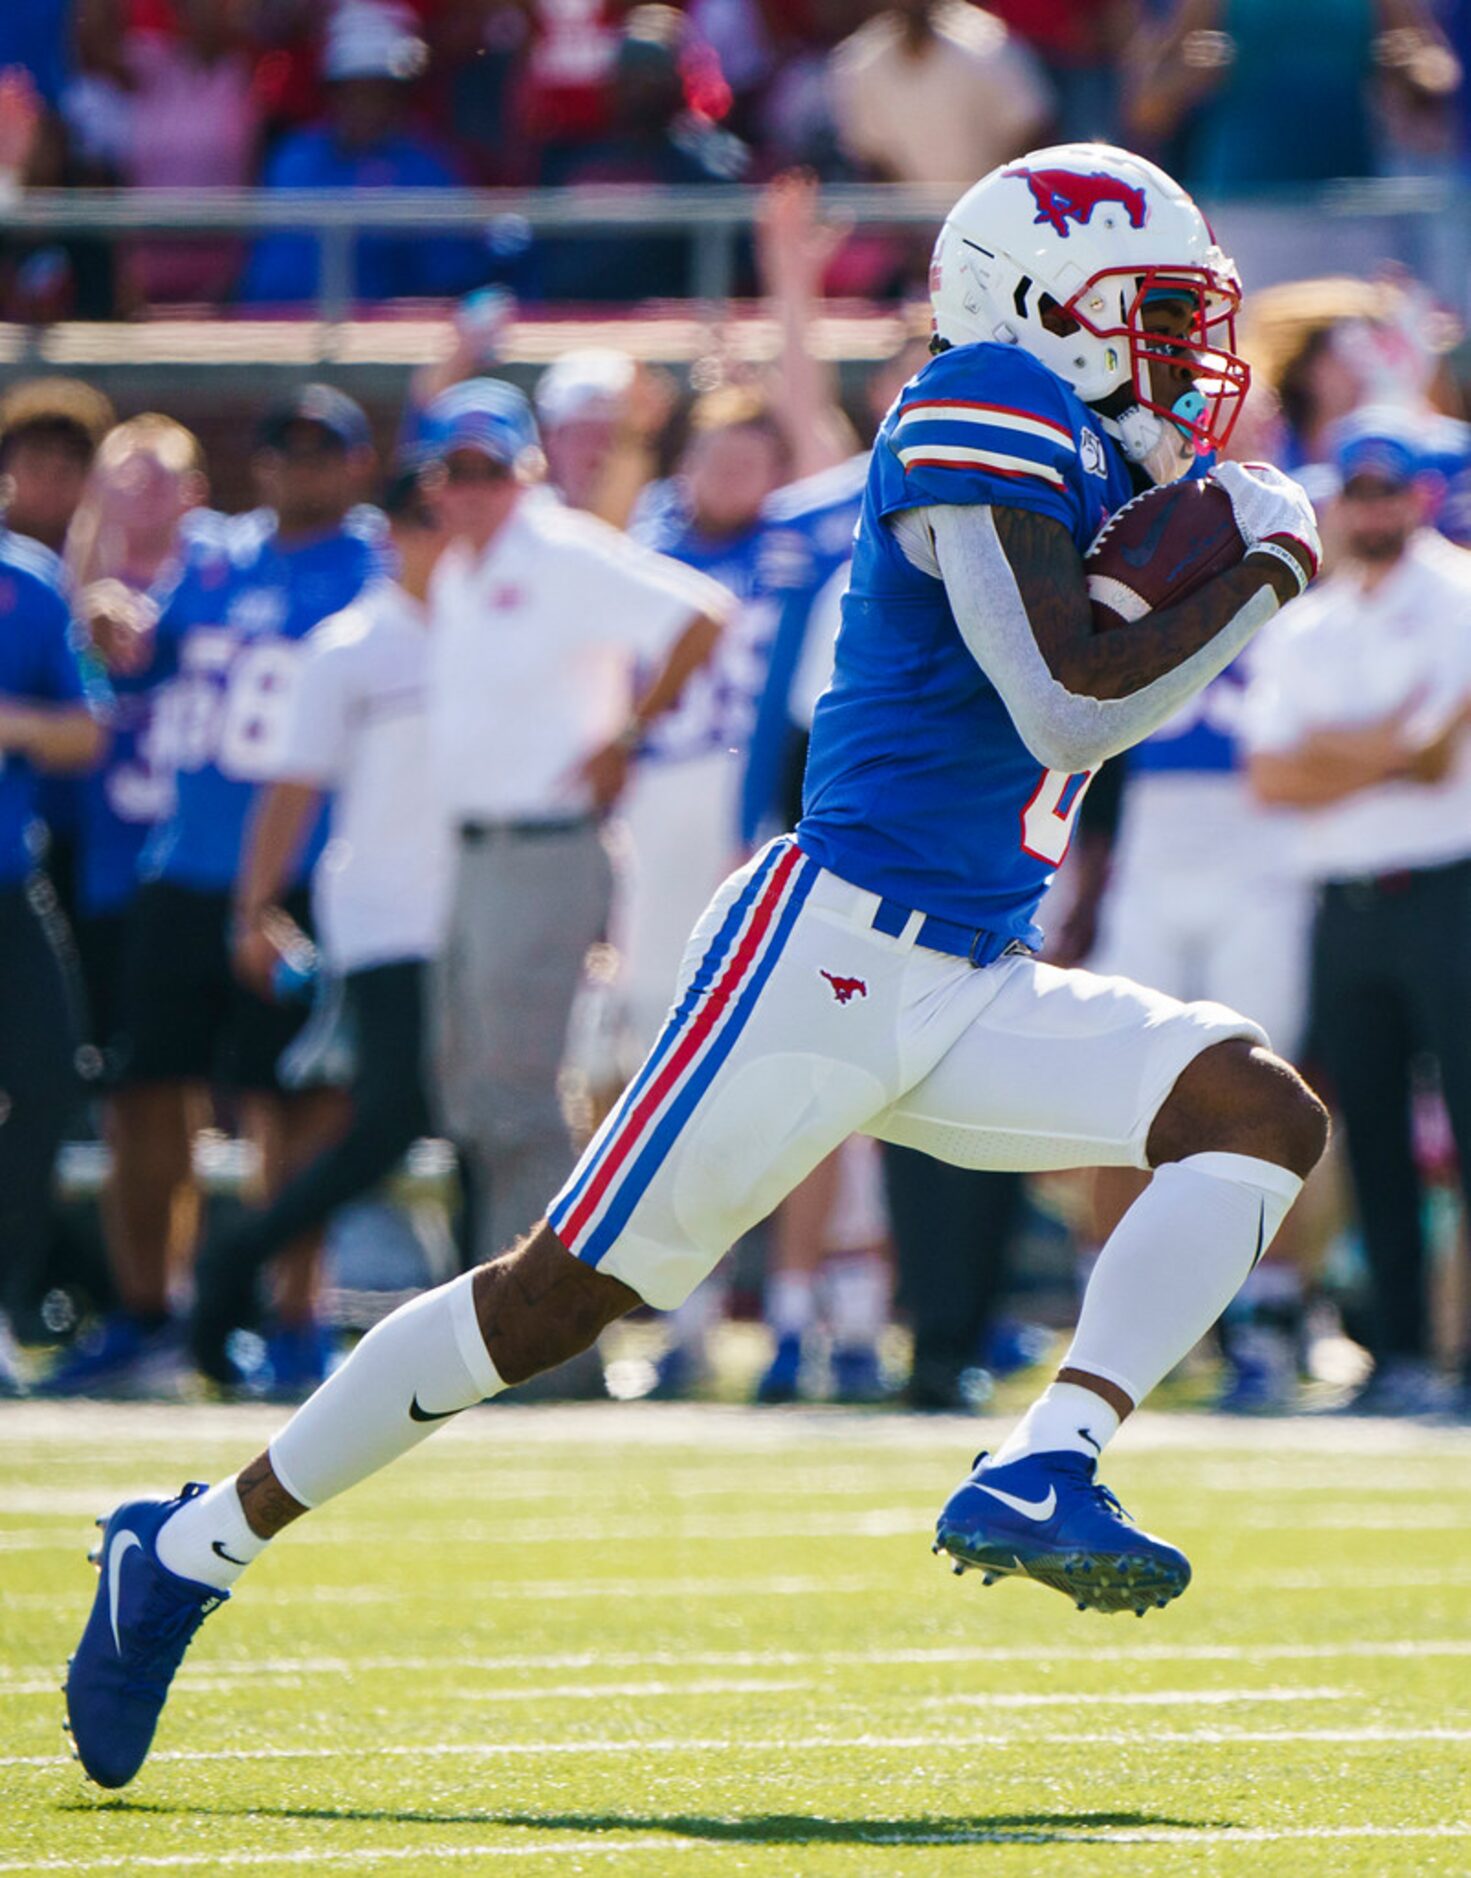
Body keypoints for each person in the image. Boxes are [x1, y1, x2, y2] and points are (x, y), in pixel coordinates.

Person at [66, 143, 1330, 1792]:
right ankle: (186, 1550)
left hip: (973, 970)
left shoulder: (1082, 447)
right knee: (547, 1303)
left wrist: (1223, 562)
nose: (1179, 354)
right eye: (1151, 314)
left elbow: (1087, 688)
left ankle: (1048, 1453)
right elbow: (1068, 706)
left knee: (1257, 1113)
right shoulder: (984, 402)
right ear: (1040, 305)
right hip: (829, 960)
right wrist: (1252, 574)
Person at [69, 385, 382, 1400]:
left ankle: (293, 1317)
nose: (299, 469)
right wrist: (118, 624)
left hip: (299, 869)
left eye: (320, 453)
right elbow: (142, 659)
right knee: (143, 1094)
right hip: (184, 862)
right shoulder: (214, 556)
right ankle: (145, 1313)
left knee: (291, 1102)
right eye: (284, 451)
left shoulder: (373, 564)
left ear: (355, 466)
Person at [421, 377, 729, 1271]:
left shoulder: (557, 547)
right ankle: (502, 1307)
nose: (471, 486)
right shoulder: (458, 568)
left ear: (524, 468)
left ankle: (544, 1330)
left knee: (518, 1099)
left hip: (545, 848)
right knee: (476, 1098)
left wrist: (628, 735)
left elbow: (702, 615)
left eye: (488, 466)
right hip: (480, 852)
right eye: (455, 469)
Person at [187, 465, 452, 1387]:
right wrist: (252, 910)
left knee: (454, 1118)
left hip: (472, 914)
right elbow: (289, 792)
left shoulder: (485, 628)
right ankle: (234, 1264)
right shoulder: (349, 646)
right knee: (389, 1121)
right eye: (426, 516)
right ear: (392, 530)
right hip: (382, 919)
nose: (445, 532)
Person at [1243, 408, 1471, 1416]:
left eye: (1389, 488)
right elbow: (1270, 776)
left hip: (1446, 887)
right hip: (1343, 902)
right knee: (1365, 1131)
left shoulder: (1459, 599)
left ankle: (1450, 1354)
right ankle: (1401, 1352)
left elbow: (1426, 764)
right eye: (1357, 488)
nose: (1371, 508)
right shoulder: (1305, 622)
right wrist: (1377, 750)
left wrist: (1338, 752)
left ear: (1423, 497)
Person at [0, 527, 107, 1391]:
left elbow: (86, 732)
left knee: (46, 1084)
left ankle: (4, 1298)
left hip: (8, 884)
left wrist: (14, 722)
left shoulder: (27, 584)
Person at [238, 1, 484, 307]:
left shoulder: (430, 172)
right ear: (333, 93)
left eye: (376, 90)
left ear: (399, 95)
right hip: (266, 334)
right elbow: (261, 261)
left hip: (375, 344)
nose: (363, 104)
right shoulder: (293, 157)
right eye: (352, 89)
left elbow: (449, 286)